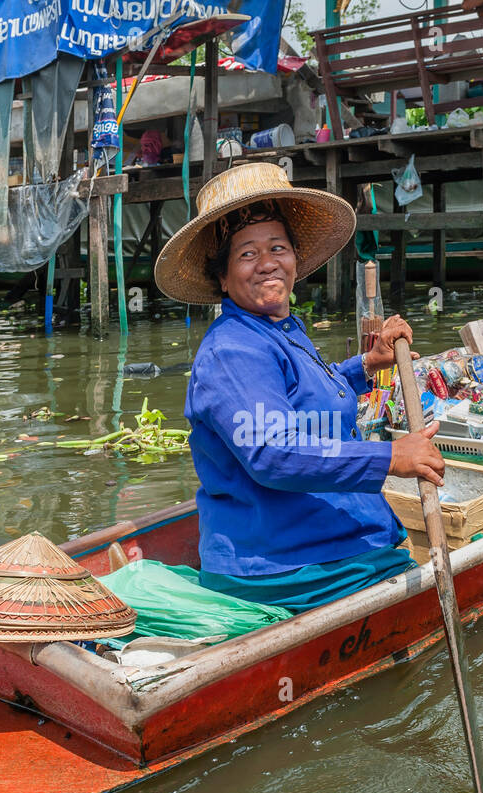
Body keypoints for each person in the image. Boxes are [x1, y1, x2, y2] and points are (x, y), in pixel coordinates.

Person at [153, 163, 444, 613]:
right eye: (247, 254)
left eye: (277, 248)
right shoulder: (232, 350)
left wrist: (365, 365)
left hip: (321, 539)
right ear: (223, 279)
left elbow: (306, 397)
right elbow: (274, 453)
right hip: (286, 564)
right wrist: (390, 456)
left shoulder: (278, 327)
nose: (267, 263)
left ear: (294, 260)